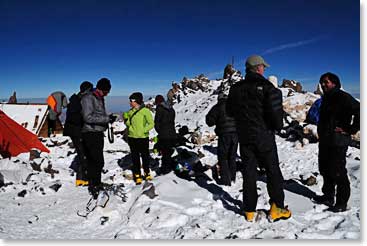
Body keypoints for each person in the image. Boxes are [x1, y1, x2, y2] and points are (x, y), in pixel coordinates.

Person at [226, 55, 291, 222]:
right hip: (264, 136)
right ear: (258, 68)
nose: (265, 69)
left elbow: (230, 111)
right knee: (272, 171)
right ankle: (277, 208)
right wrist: (276, 126)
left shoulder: (235, 88)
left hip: (245, 137)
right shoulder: (267, 87)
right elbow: (276, 115)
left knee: (249, 172)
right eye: (263, 66)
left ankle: (249, 210)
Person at [313, 72, 360, 212]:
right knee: (325, 169)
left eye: (326, 82)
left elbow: (359, 110)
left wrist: (351, 129)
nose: (323, 84)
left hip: (338, 141)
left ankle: (341, 203)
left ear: (334, 83)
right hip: (326, 140)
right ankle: (328, 196)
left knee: (337, 171)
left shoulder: (342, 96)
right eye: (322, 82)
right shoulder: (326, 97)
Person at [81, 78, 115, 198]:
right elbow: (88, 117)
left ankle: (96, 183)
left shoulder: (98, 97)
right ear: (101, 89)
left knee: (95, 161)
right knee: (96, 161)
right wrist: (106, 119)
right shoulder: (88, 98)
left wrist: (108, 118)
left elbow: (97, 114)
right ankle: (94, 185)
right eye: (106, 91)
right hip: (90, 133)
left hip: (97, 132)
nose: (107, 93)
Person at [63, 81, 93, 186]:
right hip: (78, 131)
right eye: (91, 90)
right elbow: (78, 118)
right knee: (83, 154)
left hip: (75, 131)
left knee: (82, 154)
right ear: (87, 90)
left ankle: (82, 179)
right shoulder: (79, 101)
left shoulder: (75, 100)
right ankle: (83, 179)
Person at [205, 92, 238, 186]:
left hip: (224, 135)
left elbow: (209, 121)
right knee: (232, 156)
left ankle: (225, 181)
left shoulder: (217, 107)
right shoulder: (234, 106)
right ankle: (232, 177)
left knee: (223, 157)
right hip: (235, 134)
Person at [123, 92, 154, 185]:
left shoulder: (145, 111)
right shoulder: (130, 112)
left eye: (131, 101)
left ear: (136, 101)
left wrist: (144, 131)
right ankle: (137, 175)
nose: (130, 103)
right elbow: (128, 125)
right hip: (132, 137)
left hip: (143, 137)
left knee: (145, 156)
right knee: (135, 157)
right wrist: (126, 120)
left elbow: (151, 124)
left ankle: (147, 172)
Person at [154, 95, 177, 174]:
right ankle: (170, 167)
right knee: (169, 152)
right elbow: (172, 121)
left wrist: (160, 132)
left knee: (165, 153)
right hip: (172, 133)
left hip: (164, 135)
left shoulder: (159, 109)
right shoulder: (171, 108)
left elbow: (157, 123)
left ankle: (165, 170)